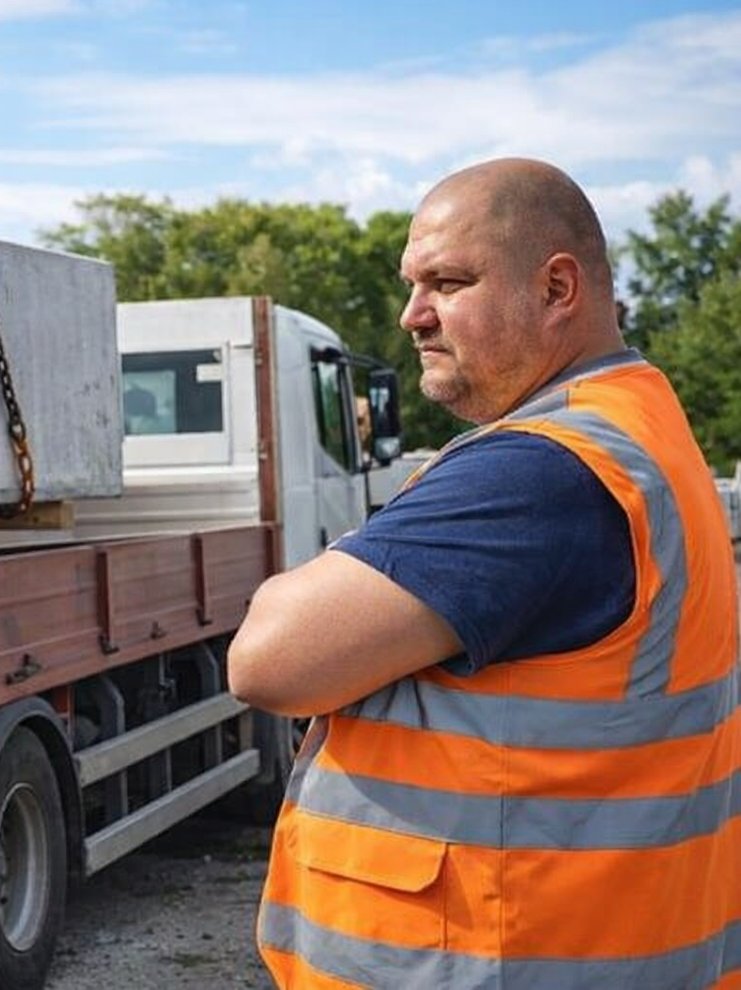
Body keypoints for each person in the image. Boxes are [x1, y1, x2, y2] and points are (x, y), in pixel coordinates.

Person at [230, 158, 740, 988]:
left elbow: (268, 658)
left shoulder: (537, 476)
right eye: (411, 284)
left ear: (557, 290)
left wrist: (307, 579)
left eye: (449, 282)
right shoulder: (638, 423)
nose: (412, 316)